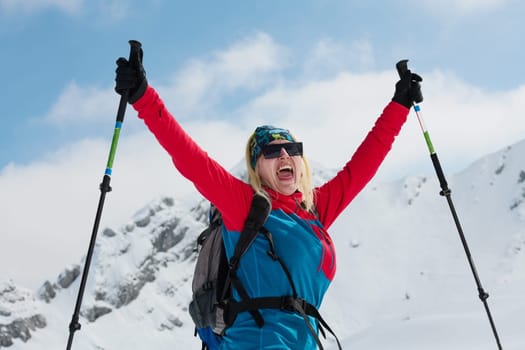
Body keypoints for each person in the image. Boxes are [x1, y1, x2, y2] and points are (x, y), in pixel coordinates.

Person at [114, 43, 422, 349]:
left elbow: (363, 164)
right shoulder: (244, 204)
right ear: (257, 168)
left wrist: (399, 105)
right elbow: (189, 158)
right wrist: (143, 96)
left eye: (293, 149)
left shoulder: (313, 211)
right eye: (272, 151)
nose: (285, 155)